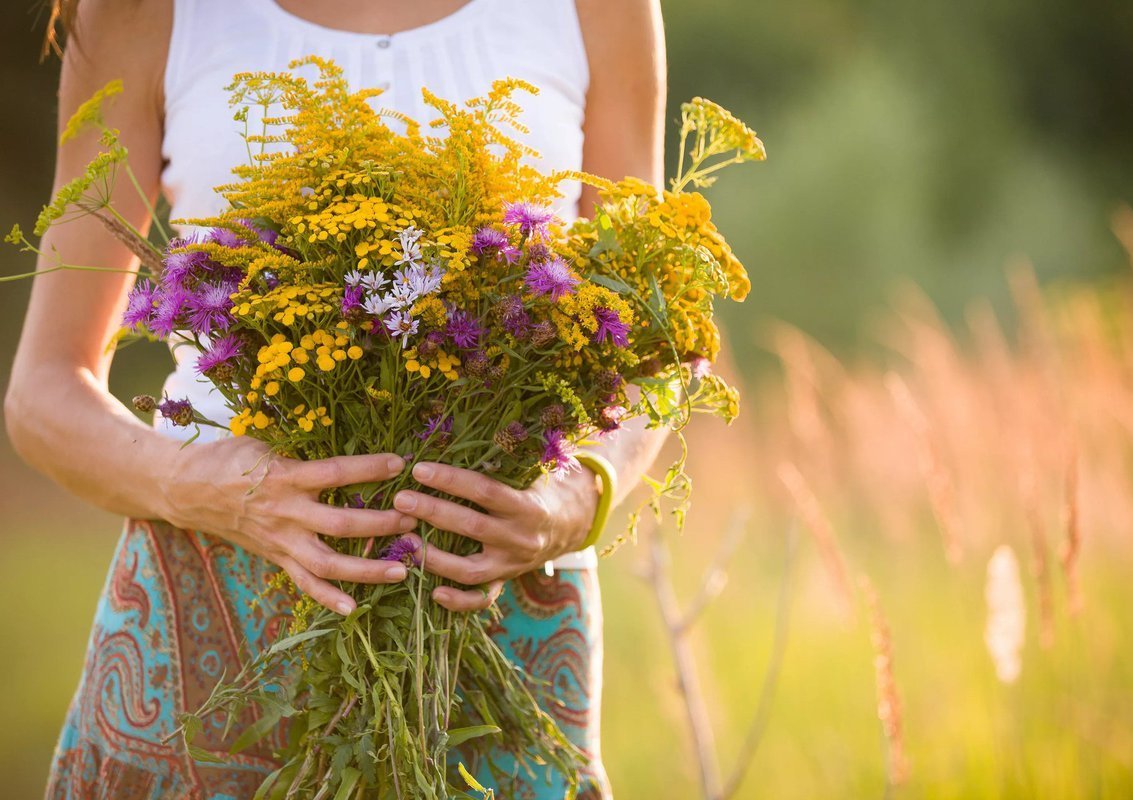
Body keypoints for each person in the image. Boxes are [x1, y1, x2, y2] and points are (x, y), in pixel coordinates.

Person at [5, 1, 670, 797]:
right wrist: (215, 488)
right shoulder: (142, 12)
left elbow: (655, 347)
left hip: (502, 605)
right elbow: (44, 393)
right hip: (216, 597)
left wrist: (572, 498)